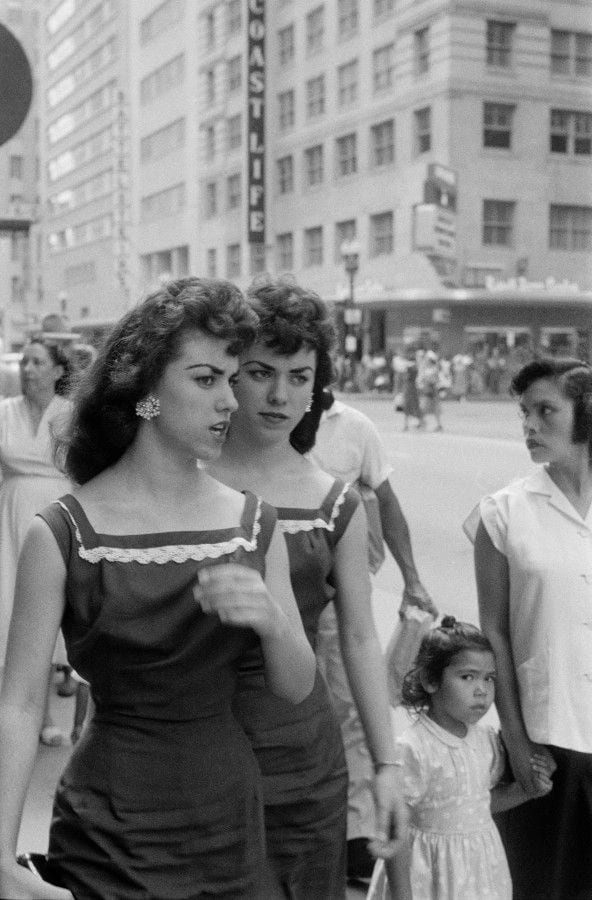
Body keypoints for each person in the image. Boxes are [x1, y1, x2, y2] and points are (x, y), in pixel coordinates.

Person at [0, 277, 316, 900]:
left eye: (233, 378)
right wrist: (0, 863)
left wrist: (275, 623)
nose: (230, 400)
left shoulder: (255, 524)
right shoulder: (62, 533)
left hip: (227, 823)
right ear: (145, 390)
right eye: (206, 379)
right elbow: (18, 706)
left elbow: (295, 686)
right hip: (106, 834)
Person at [210, 278, 407, 900]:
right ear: (229, 372)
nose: (279, 395)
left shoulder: (335, 502)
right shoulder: (173, 478)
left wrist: (385, 766)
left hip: (300, 759)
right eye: (262, 371)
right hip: (186, 748)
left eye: (299, 377)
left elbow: (358, 637)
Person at [467, 356, 592, 900]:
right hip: (550, 742)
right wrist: (516, 740)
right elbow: (493, 633)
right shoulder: (502, 514)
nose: (530, 427)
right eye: (524, 414)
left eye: (546, 411)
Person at [309, 390, 436, 880]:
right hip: (280, 587)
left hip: (341, 592)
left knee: (353, 707)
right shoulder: (253, 411)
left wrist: (412, 577)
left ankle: (356, 835)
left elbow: (387, 499)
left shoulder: (356, 427)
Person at [386, 617, 553, 900]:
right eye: (468, 677)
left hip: (478, 873)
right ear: (430, 679)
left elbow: (477, 804)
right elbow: (394, 829)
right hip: (429, 876)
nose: (482, 690)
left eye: (489, 678)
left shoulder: (485, 740)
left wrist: (525, 792)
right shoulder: (414, 748)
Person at [0, 339, 73, 745]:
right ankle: (20, 715)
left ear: (58, 371)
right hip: (8, 516)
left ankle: (45, 715)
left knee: (48, 612)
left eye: (38, 362)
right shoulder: (3, 412)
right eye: (24, 362)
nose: (28, 369)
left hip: (55, 515)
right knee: (8, 610)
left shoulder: (71, 416)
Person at [417, 351, 443, 431]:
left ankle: (439, 425)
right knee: (423, 407)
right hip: (426, 390)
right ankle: (422, 423)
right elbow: (421, 379)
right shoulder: (424, 368)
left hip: (433, 390)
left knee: (435, 408)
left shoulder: (435, 369)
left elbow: (437, 380)